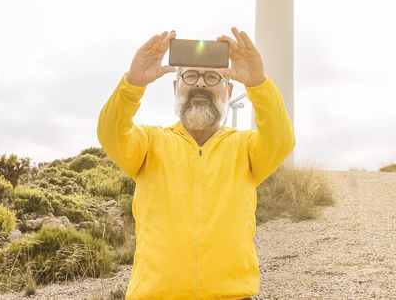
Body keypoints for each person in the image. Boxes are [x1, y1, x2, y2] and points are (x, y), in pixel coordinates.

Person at [96, 26, 295, 300]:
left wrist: (258, 83)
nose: (201, 83)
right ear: (176, 86)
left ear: (229, 89)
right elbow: (110, 134)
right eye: (190, 75)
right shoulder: (149, 143)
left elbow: (281, 139)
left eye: (213, 76)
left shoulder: (246, 148)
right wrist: (132, 84)